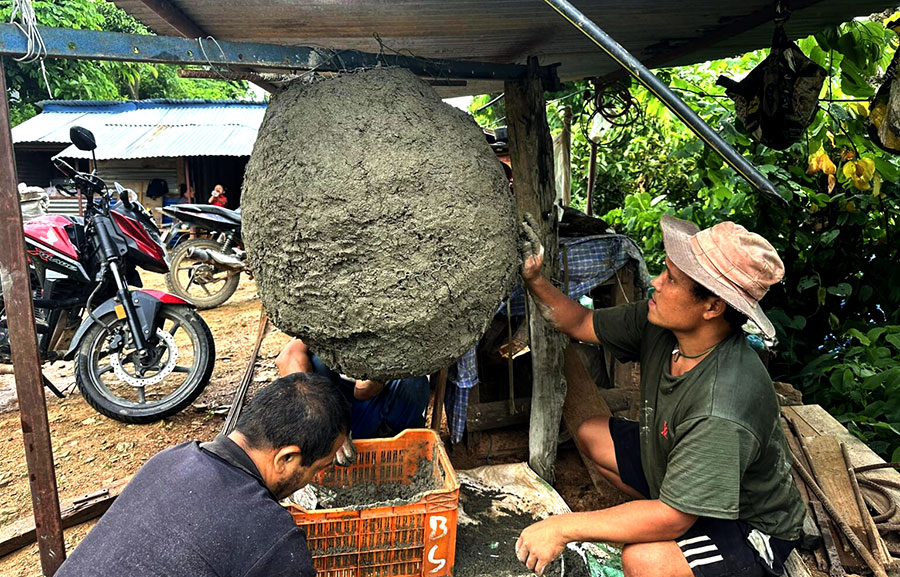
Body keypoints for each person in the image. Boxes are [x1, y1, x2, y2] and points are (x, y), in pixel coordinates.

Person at [514, 214, 805, 577]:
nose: (656, 282)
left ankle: (706, 543)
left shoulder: (721, 407)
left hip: (746, 521)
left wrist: (562, 527)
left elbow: (673, 517)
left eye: (671, 279)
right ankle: (671, 507)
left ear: (712, 307)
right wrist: (535, 278)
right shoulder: (662, 327)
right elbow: (578, 322)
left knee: (643, 561)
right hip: (680, 471)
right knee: (592, 434)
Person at [55, 374, 351, 577]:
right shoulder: (271, 535)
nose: (313, 478)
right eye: (318, 468)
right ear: (287, 458)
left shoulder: (172, 459)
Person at [276, 338, 431, 447]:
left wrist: (374, 378)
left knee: (414, 381)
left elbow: (363, 391)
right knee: (318, 360)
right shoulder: (332, 313)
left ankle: (389, 444)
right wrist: (323, 421)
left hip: (382, 413)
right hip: (334, 410)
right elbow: (288, 357)